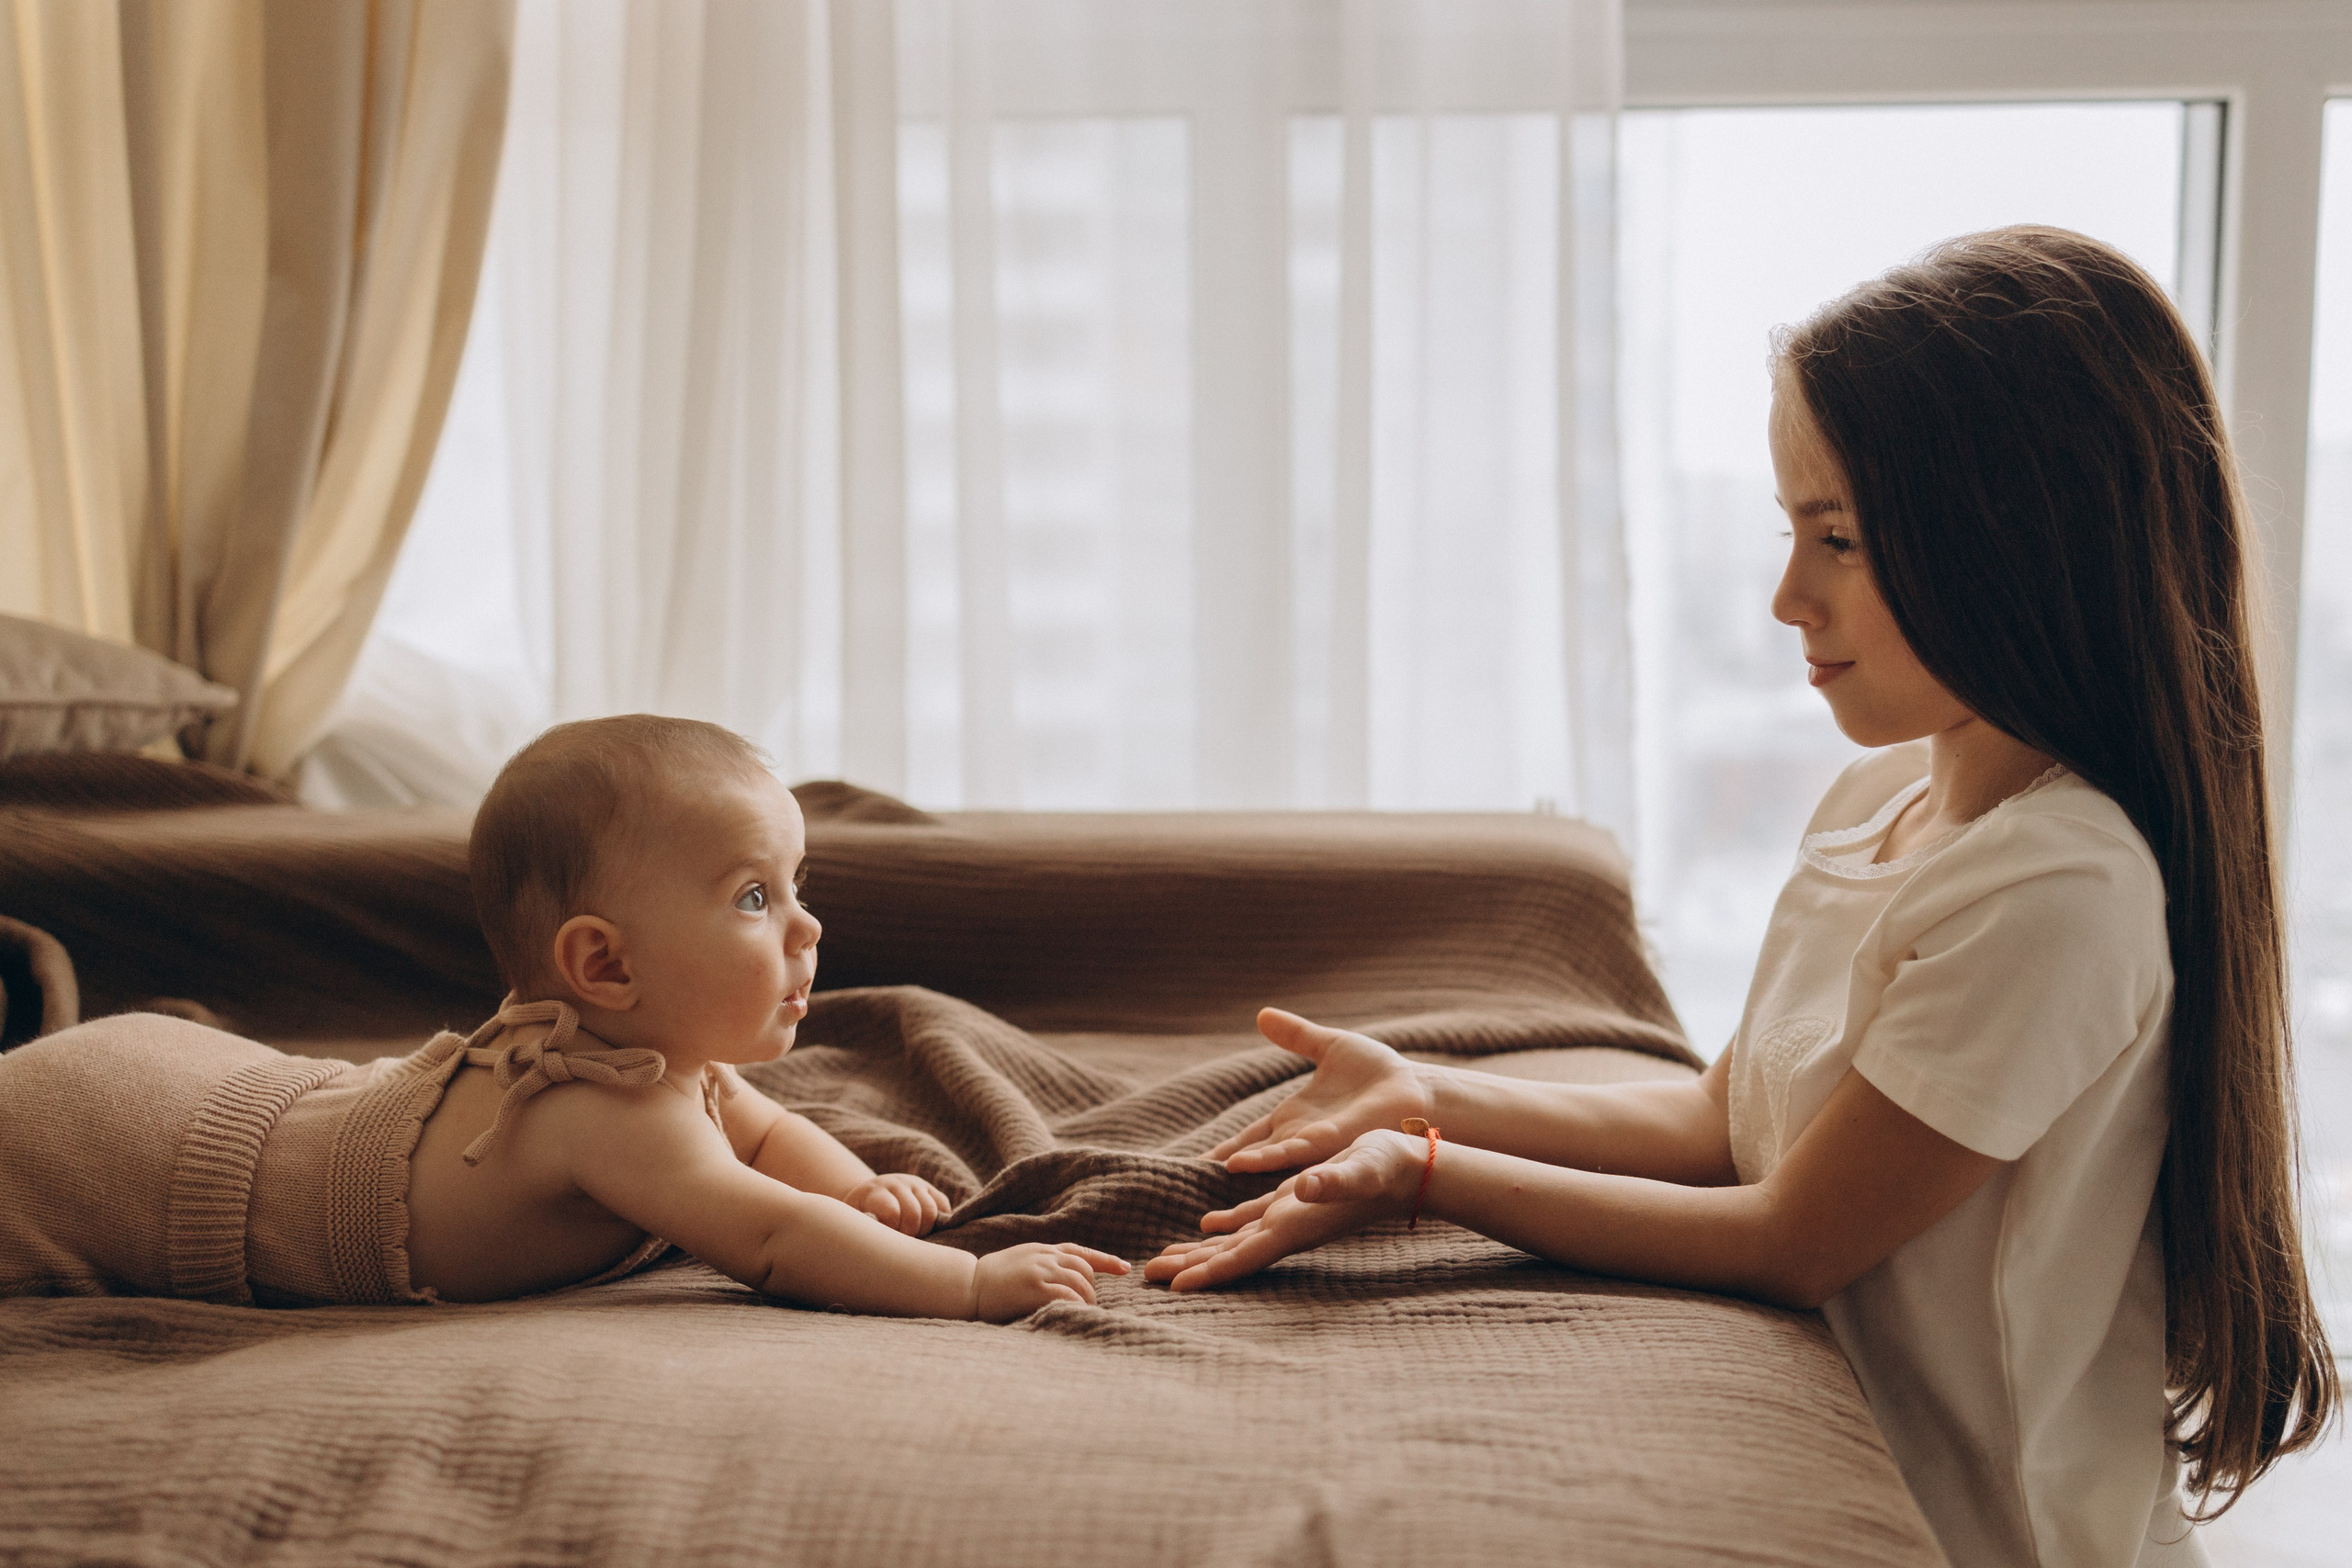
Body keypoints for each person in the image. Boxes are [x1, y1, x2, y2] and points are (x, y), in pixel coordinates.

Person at [1146, 227, 2335, 1567]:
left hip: (1990, 1532)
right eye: (1791, 530)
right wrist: (1425, 1088)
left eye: (1838, 539)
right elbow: (1730, 1121)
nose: (1786, 596)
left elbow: (1788, 1239)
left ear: (2016, 544)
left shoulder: (2060, 889)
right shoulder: (1878, 804)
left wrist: (1429, 1177)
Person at [0, 715, 1124, 1320]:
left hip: (194, 1077)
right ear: (604, 965)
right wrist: (965, 1283)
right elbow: (772, 1240)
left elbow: (771, 1144)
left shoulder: (662, 1063)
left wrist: (858, 1190)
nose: (806, 928)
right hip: (133, 1143)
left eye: (796, 886)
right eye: (752, 897)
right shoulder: (599, 1114)